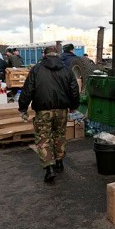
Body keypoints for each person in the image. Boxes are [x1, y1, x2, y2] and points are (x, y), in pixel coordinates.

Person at [18, 46, 80, 183]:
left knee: (43, 138)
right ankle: (59, 162)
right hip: (62, 110)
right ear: (57, 55)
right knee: (59, 135)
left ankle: (49, 168)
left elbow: (28, 90)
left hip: (43, 111)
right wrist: (74, 107)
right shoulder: (66, 69)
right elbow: (74, 90)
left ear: (44, 54)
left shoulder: (36, 69)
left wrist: (22, 107)